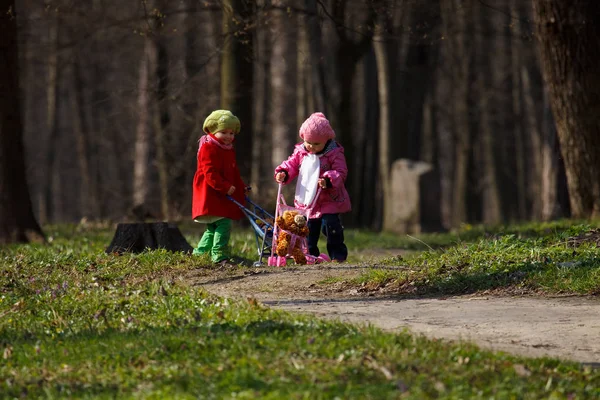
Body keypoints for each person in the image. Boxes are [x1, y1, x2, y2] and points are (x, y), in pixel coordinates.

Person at [274, 112, 351, 262]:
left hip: (329, 199)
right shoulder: (301, 152)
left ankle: (337, 256)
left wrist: (328, 179)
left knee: (331, 227)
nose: (312, 147)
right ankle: (310, 255)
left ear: (327, 140)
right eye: (309, 142)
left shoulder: (334, 153)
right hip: (308, 199)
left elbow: (341, 172)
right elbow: (291, 164)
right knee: (307, 229)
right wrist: (283, 172)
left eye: (317, 144)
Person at [192, 109, 247, 265]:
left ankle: (200, 253)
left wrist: (241, 186)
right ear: (212, 131)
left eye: (231, 133)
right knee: (223, 223)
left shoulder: (228, 149)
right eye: (224, 132)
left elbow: (234, 171)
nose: (229, 136)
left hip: (221, 193)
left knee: (213, 226)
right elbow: (209, 172)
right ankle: (219, 255)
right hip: (210, 192)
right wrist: (224, 186)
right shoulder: (208, 147)